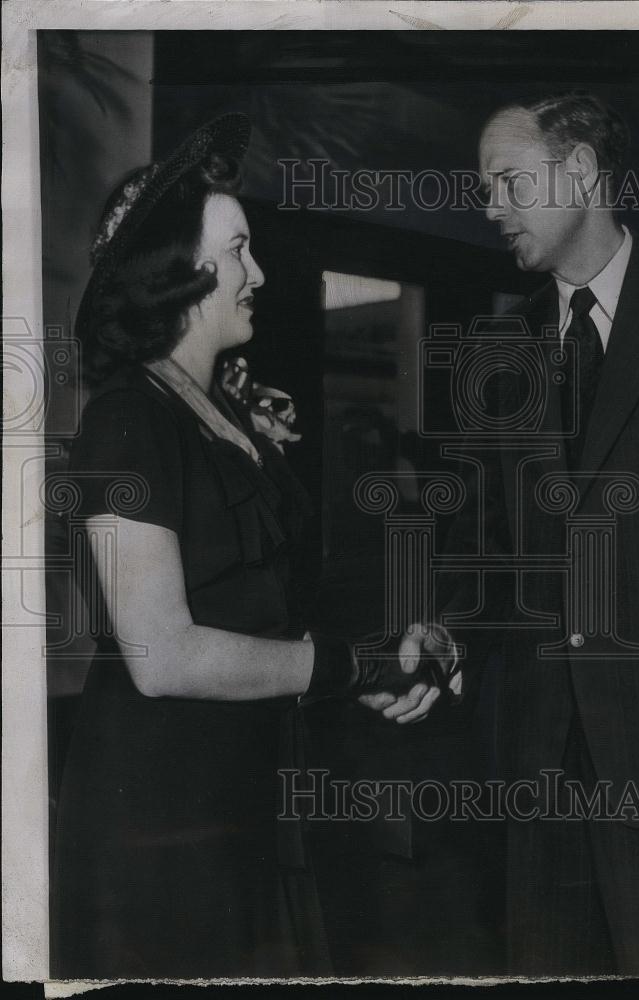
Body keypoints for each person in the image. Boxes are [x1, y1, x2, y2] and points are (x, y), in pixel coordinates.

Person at [386, 92, 639, 975]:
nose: (488, 206)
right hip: (544, 767)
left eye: (505, 180)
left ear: (578, 169)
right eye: (483, 187)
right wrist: (448, 630)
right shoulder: (503, 349)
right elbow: (494, 553)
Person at [52, 113, 440, 979]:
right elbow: (163, 657)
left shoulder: (224, 420)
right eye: (238, 251)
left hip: (241, 799)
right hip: (156, 830)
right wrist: (348, 669)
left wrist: (378, 666)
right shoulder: (126, 420)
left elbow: (257, 615)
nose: (257, 273)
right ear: (180, 274)